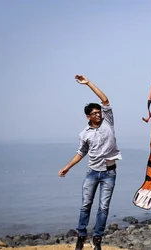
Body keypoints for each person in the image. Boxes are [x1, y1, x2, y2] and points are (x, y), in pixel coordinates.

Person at [58, 75, 122, 250]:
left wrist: (88, 84)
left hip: (109, 173)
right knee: (86, 205)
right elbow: (81, 153)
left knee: (103, 208)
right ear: (88, 117)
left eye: (99, 111)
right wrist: (67, 167)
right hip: (92, 173)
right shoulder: (84, 134)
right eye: (95, 113)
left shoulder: (108, 122)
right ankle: (81, 235)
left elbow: (105, 99)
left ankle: (98, 239)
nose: (99, 114)